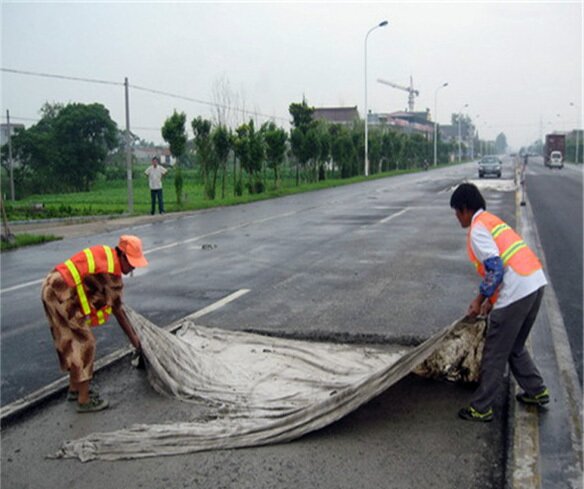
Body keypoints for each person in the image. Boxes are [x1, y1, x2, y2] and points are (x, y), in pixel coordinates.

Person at [450, 183, 549, 422]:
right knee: (514, 345)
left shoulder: (477, 230)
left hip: (517, 291)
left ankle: (481, 408)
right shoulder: (491, 221)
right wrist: (491, 301)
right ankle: (537, 391)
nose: (456, 217)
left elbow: (495, 268)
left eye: (456, 212)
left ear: (465, 209)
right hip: (534, 283)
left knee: (495, 352)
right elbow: (504, 263)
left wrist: (479, 299)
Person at [41, 235, 149, 413]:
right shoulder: (111, 274)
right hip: (61, 293)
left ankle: (74, 390)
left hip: (51, 287)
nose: (131, 269)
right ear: (121, 254)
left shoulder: (106, 255)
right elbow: (118, 312)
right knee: (86, 343)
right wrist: (135, 340)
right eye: (130, 263)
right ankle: (84, 400)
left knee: (71, 341)